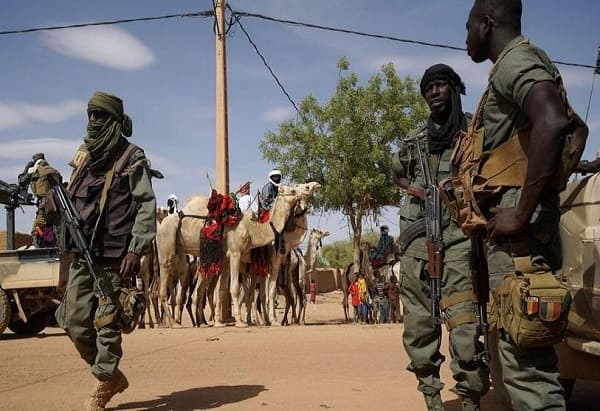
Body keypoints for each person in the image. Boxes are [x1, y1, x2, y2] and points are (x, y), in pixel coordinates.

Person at [464, 1, 588, 409]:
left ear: (487, 24)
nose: (466, 39)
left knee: (527, 365)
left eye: (469, 29)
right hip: (518, 228)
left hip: (520, 238)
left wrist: (520, 213)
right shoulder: (515, 65)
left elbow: (552, 121)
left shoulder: (517, 61)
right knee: (521, 356)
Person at [50, 91, 157, 411]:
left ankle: (103, 378)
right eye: (90, 116)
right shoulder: (84, 156)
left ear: (114, 121)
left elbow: (146, 206)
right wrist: (52, 199)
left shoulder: (131, 157)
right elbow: (71, 197)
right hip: (83, 254)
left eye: (101, 117)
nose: (94, 122)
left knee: (106, 322)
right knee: (72, 320)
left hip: (115, 256)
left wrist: (136, 250)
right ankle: (110, 375)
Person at [391, 64, 490, 410]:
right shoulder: (415, 140)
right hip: (420, 242)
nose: (434, 92)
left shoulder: (473, 135)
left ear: (454, 89)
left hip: (461, 238)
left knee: (464, 322)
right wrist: (417, 191)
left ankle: (469, 398)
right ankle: (432, 398)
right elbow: (397, 173)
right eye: (428, 88)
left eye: (440, 86)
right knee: (419, 322)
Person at [17, 153, 62, 248]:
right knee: (49, 227)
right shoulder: (53, 171)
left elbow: (21, 181)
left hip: (44, 204)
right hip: (56, 205)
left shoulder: (36, 171)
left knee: (36, 228)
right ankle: (51, 247)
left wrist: (27, 168)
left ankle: (39, 252)